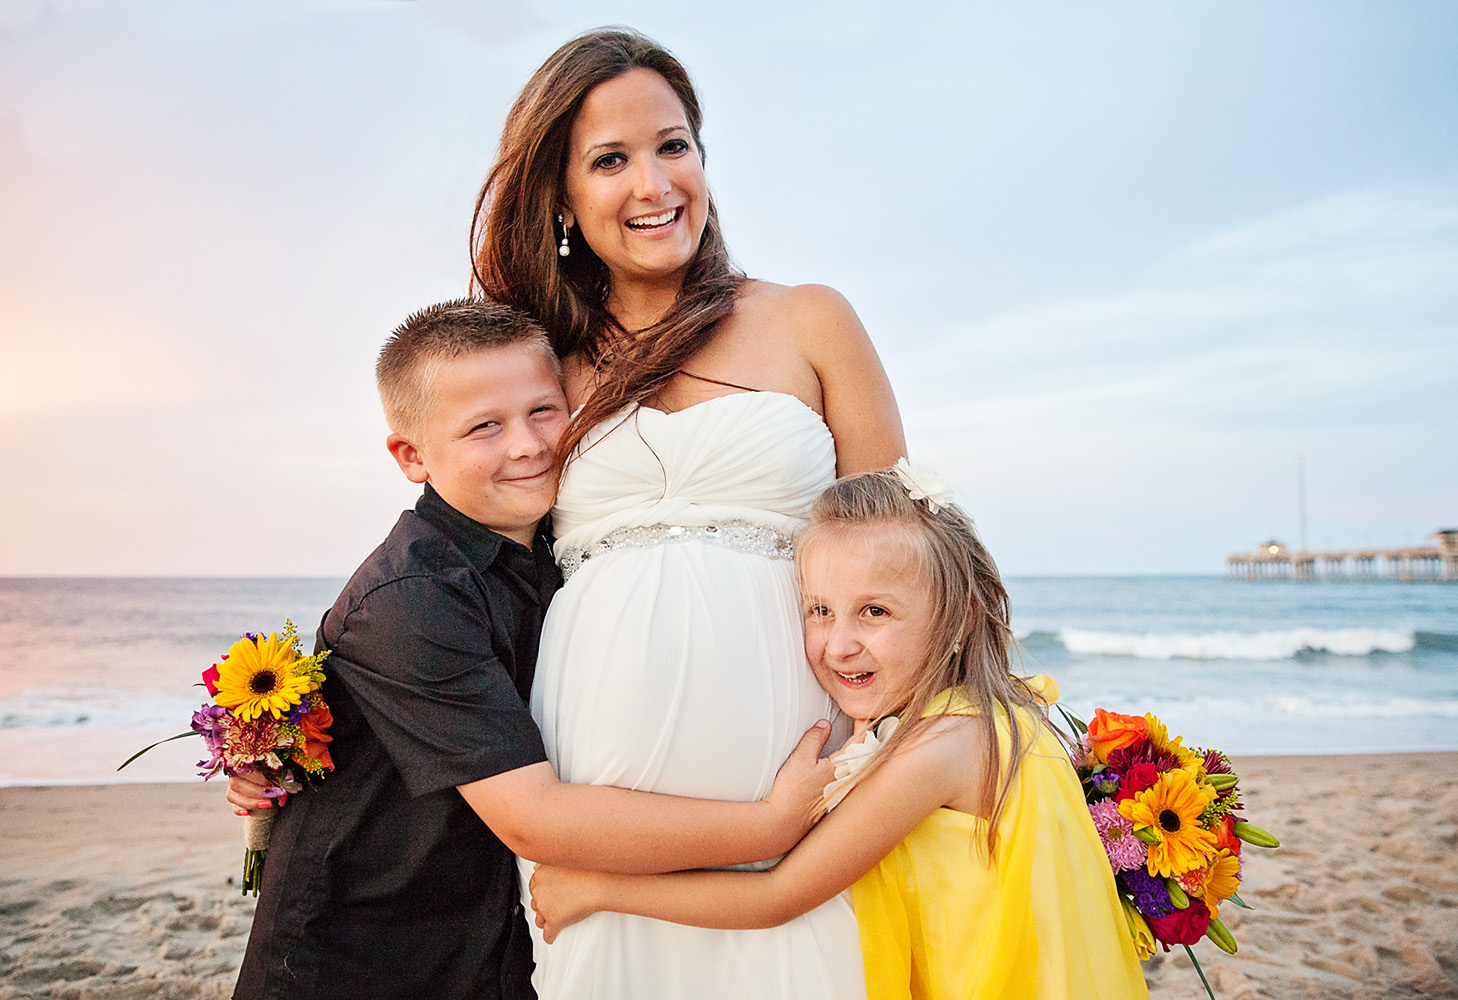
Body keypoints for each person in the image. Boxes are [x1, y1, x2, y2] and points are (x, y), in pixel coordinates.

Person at [469, 26, 906, 1000]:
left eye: (673, 145)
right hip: (597, 785)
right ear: (564, 200)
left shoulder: (809, 318)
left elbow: (908, 551)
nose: (653, 182)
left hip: (795, 754)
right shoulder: (536, 364)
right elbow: (451, 574)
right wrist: (296, 742)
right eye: (610, 160)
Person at [229, 299, 834, 1000]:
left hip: (495, 932)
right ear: (411, 455)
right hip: (363, 949)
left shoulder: (561, 548)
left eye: (545, 411)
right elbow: (534, 816)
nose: (528, 445)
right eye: (484, 427)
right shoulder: (410, 598)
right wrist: (770, 826)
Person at [529, 467, 1152, 1000]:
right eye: (820, 610)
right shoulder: (999, 712)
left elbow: (777, 896)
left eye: (874, 612)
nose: (839, 643)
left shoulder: (941, 747)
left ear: (960, 615)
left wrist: (596, 887)